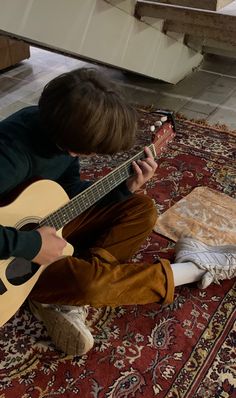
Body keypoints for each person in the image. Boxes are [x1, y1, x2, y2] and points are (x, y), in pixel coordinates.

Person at [0, 68, 235, 356]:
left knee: (141, 208)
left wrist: (123, 188)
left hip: (39, 230)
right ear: (71, 136)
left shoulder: (56, 131)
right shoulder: (9, 155)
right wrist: (33, 245)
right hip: (10, 267)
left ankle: (64, 295)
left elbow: (66, 190)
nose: (94, 156)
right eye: (91, 150)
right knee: (92, 285)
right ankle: (192, 269)